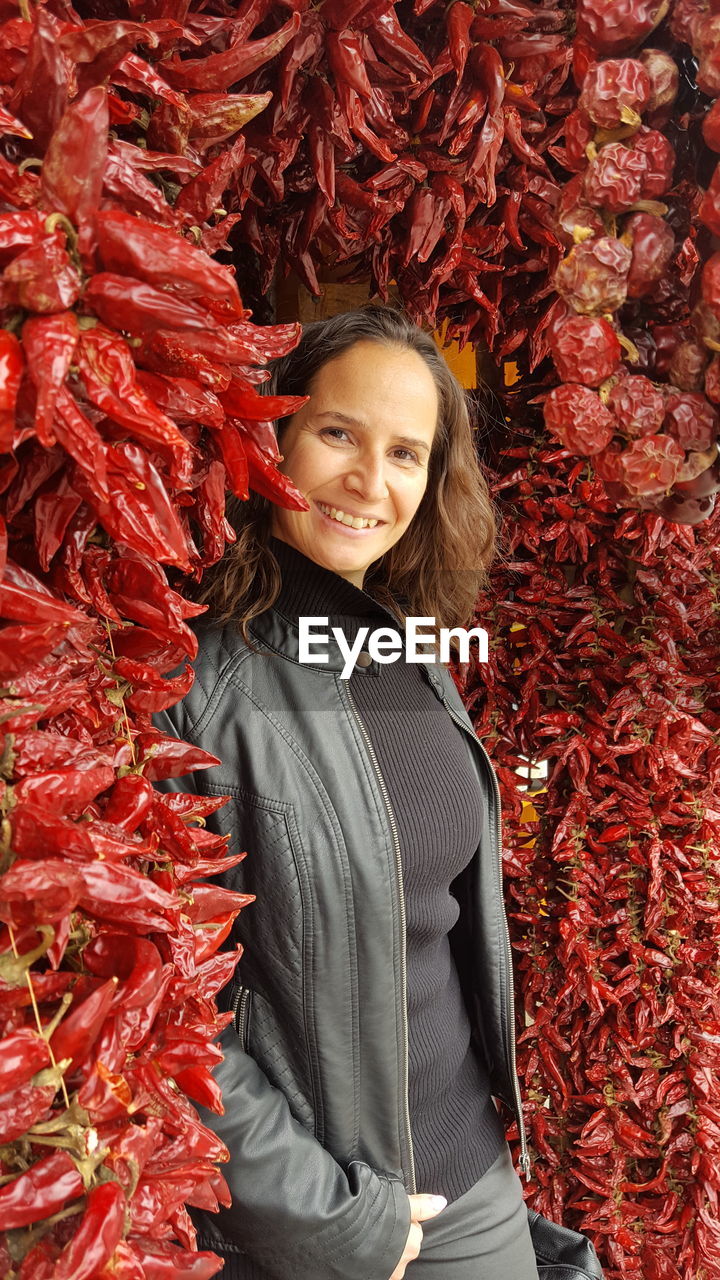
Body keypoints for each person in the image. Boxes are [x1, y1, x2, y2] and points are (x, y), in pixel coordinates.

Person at [152, 304, 539, 1280]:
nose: (373, 481)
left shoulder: (406, 643)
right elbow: (163, 1002)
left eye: (407, 452)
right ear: (268, 435)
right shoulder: (193, 682)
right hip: (334, 1226)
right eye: (337, 434)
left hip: (477, 1183)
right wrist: (331, 1219)